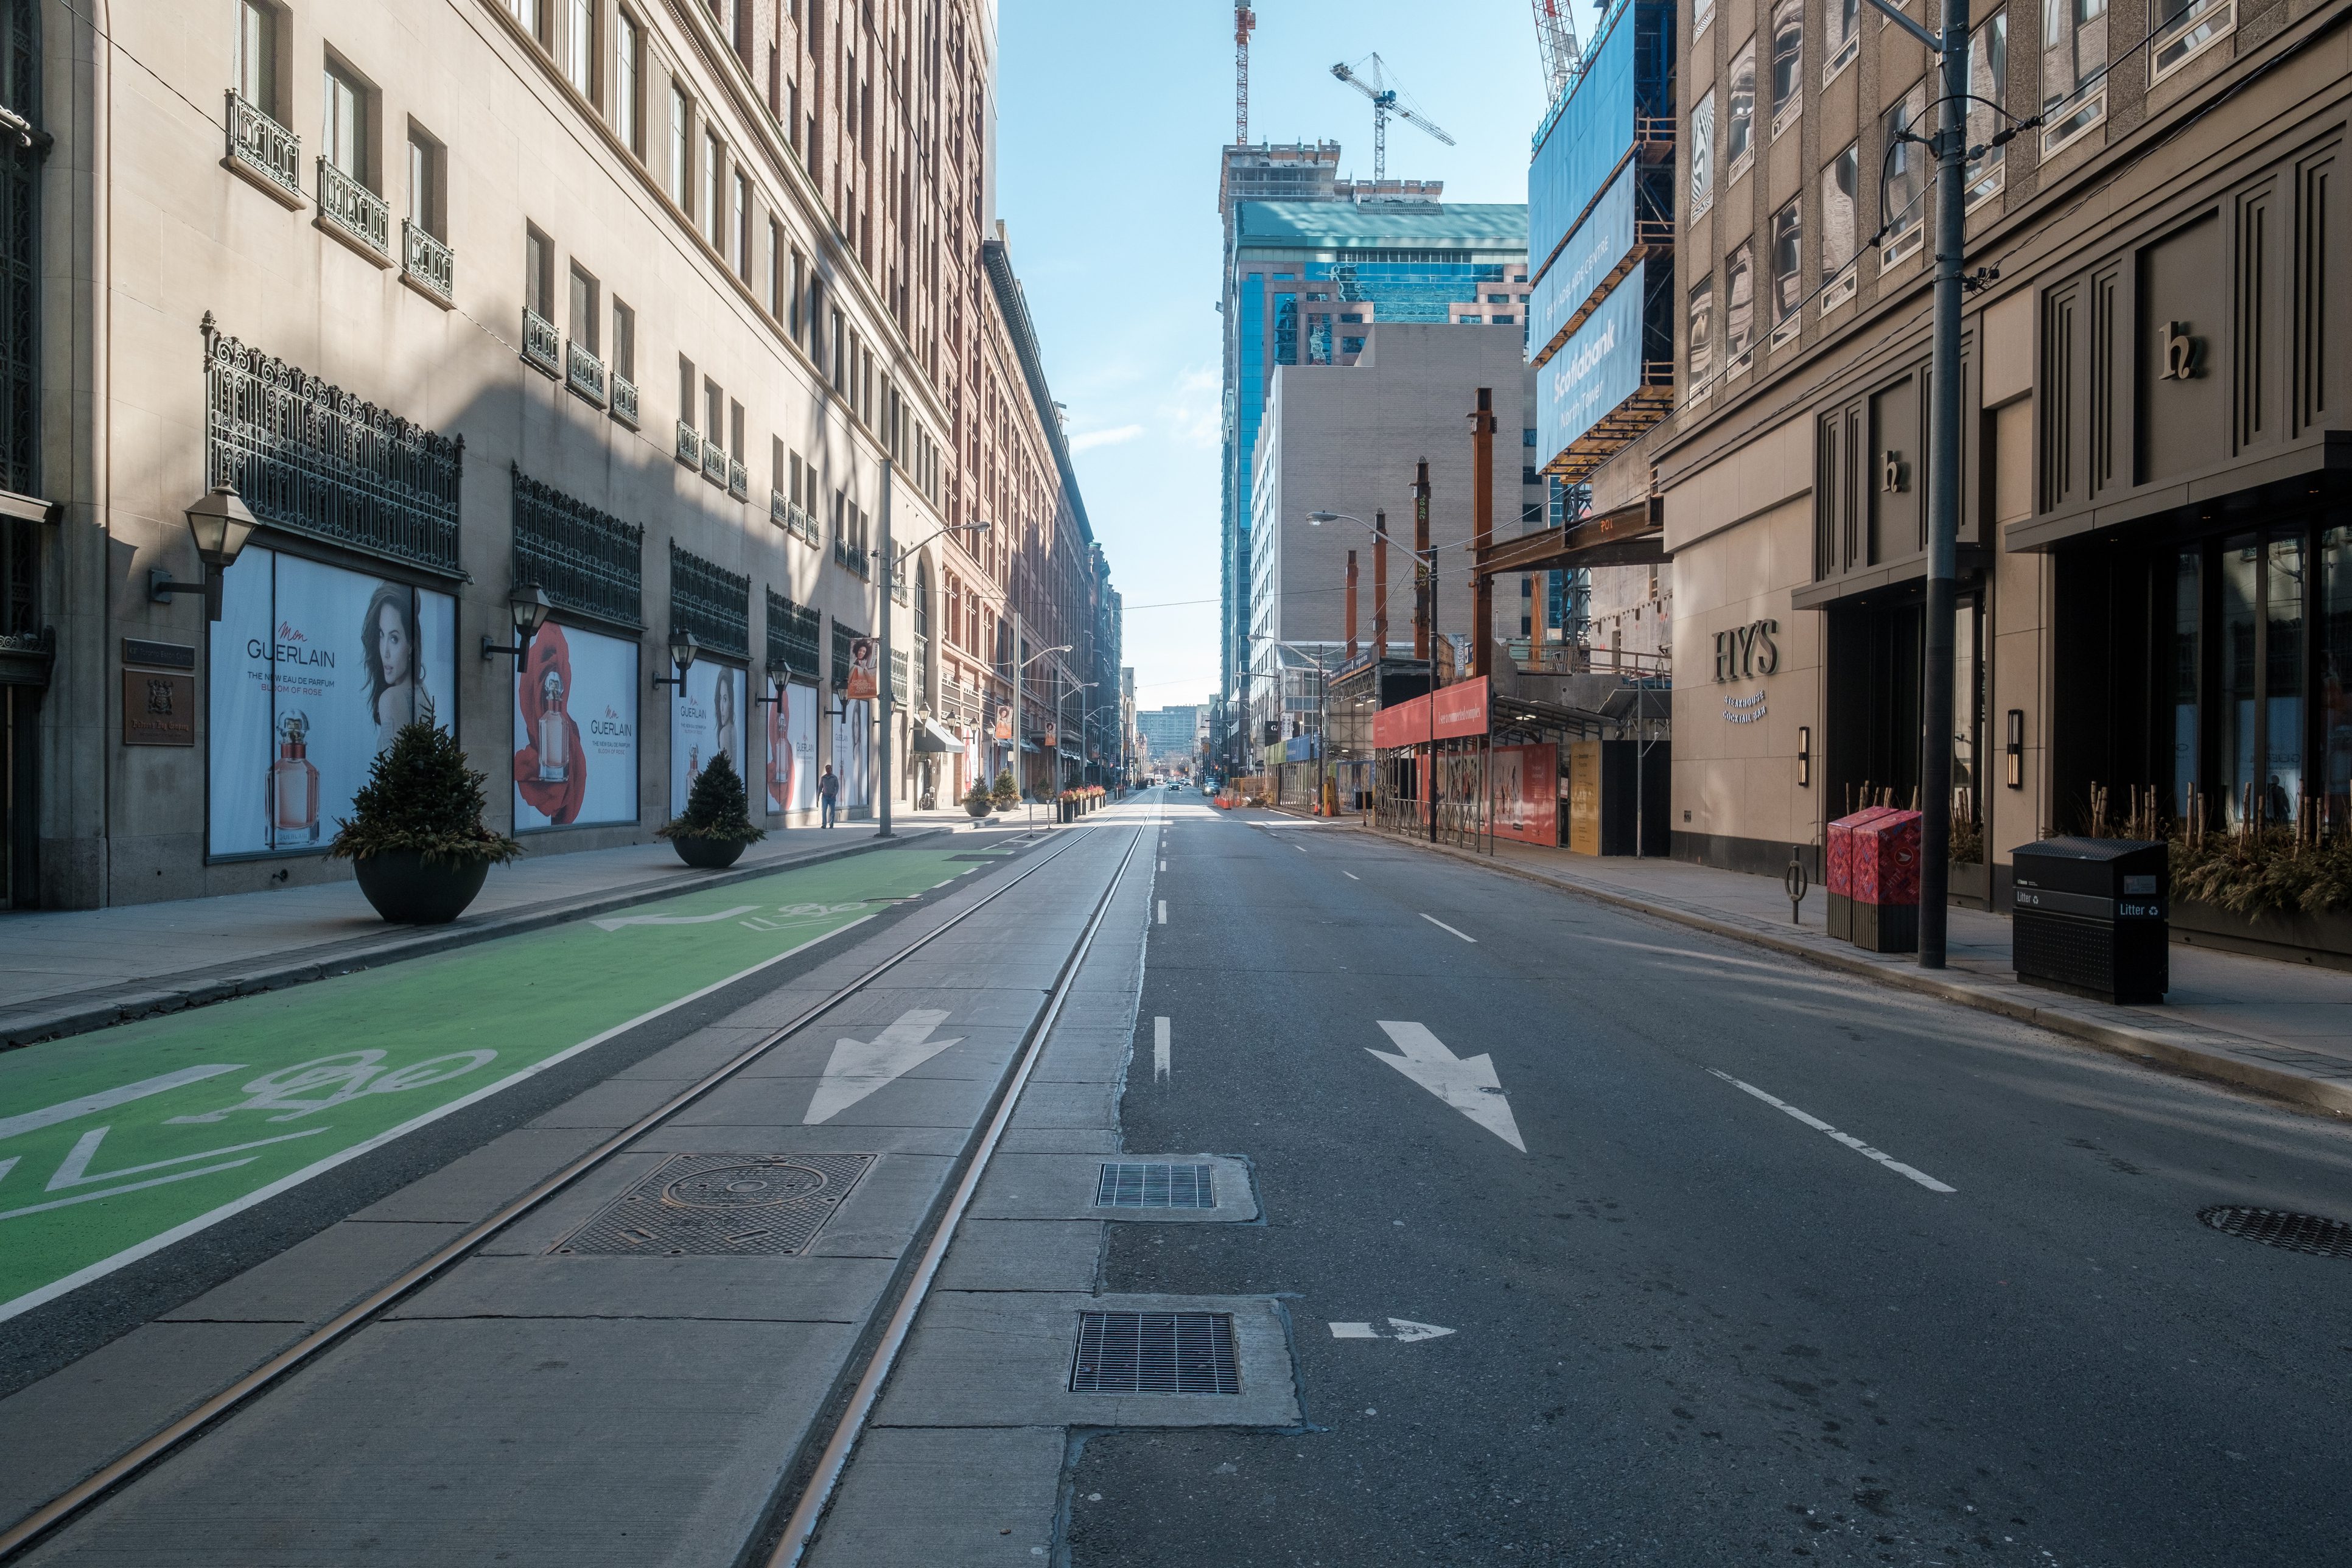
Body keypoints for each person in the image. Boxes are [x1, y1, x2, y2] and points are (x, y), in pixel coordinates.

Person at [362, 582, 432, 754]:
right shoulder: (422, 690)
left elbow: (392, 769)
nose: (384, 652)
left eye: (394, 638)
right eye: (381, 634)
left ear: (410, 644)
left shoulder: (390, 698)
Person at [818, 763, 839, 828]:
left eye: (829, 769)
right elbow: (820, 787)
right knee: (824, 810)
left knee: (832, 811)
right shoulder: (823, 778)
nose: (828, 770)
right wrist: (818, 796)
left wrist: (835, 794)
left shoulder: (834, 778)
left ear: (831, 769)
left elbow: (837, 787)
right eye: (826, 769)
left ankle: (831, 824)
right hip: (825, 797)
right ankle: (824, 824)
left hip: (832, 797)